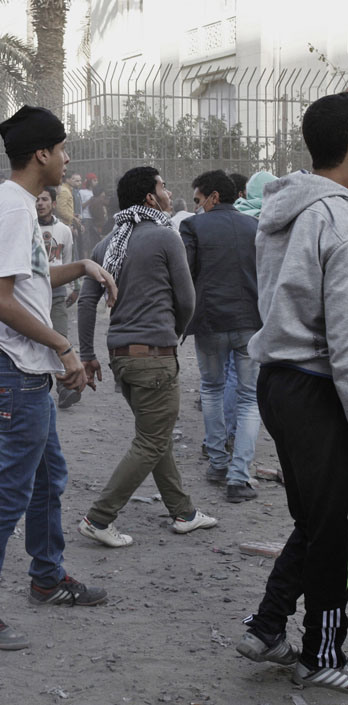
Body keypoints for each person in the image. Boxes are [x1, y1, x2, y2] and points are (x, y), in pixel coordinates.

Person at [0, 105, 113, 652]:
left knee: (48, 479)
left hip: (24, 368)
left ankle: (47, 578)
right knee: (9, 494)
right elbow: (0, 300)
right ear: (42, 153)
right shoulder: (12, 208)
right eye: (63, 149)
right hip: (15, 367)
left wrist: (84, 266)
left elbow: (28, 278)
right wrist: (63, 346)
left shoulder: (15, 203)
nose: (68, 159)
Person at [236, 92, 348, 693]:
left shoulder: (284, 207)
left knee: (316, 519)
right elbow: (346, 339)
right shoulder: (337, 219)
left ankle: (267, 626)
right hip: (317, 386)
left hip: (279, 381)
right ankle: (321, 654)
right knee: (335, 529)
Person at [77, 166, 217, 548]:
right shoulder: (166, 236)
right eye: (163, 186)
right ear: (151, 198)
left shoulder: (106, 245)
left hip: (121, 358)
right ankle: (99, 517)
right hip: (154, 357)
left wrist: (87, 354)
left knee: (155, 436)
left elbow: (86, 304)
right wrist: (172, 334)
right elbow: (186, 300)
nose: (169, 192)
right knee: (152, 441)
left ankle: (183, 512)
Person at [180, 170, 261, 502]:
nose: (197, 206)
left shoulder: (193, 227)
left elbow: (185, 275)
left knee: (212, 390)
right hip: (250, 322)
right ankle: (238, 478)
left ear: (213, 196)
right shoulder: (254, 226)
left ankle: (217, 464)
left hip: (210, 321)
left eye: (198, 199)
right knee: (249, 399)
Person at [36, 186, 80, 409]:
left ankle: (65, 387)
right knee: (36, 340)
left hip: (57, 292)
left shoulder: (63, 230)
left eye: (45, 199)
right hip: (33, 294)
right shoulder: (27, 227)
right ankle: (38, 387)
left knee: (61, 337)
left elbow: (68, 259)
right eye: (37, 199)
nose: (40, 203)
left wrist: (73, 287)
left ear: (53, 203)